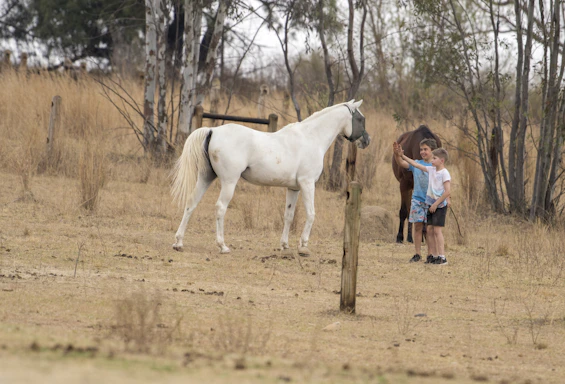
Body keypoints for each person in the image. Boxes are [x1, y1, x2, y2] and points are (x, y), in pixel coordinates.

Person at [393, 143, 451, 265]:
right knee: (424, 228)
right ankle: (424, 254)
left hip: (435, 203)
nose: (423, 152)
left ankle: (437, 255)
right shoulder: (427, 167)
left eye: (426, 149)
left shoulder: (440, 170)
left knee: (434, 230)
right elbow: (411, 164)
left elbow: (446, 189)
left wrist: (444, 201)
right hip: (422, 201)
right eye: (421, 149)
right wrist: (400, 155)